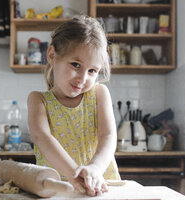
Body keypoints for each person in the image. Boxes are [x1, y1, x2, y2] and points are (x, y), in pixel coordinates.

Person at [27, 15, 120, 196]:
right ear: (52, 55)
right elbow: (42, 138)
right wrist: (74, 174)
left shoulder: (99, 94)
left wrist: (94, 169)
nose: (83, 78)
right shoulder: (38, 100)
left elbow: (108, 136)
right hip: (57, 190)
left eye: (92, 71)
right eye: (76, 65)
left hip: (100, 187)